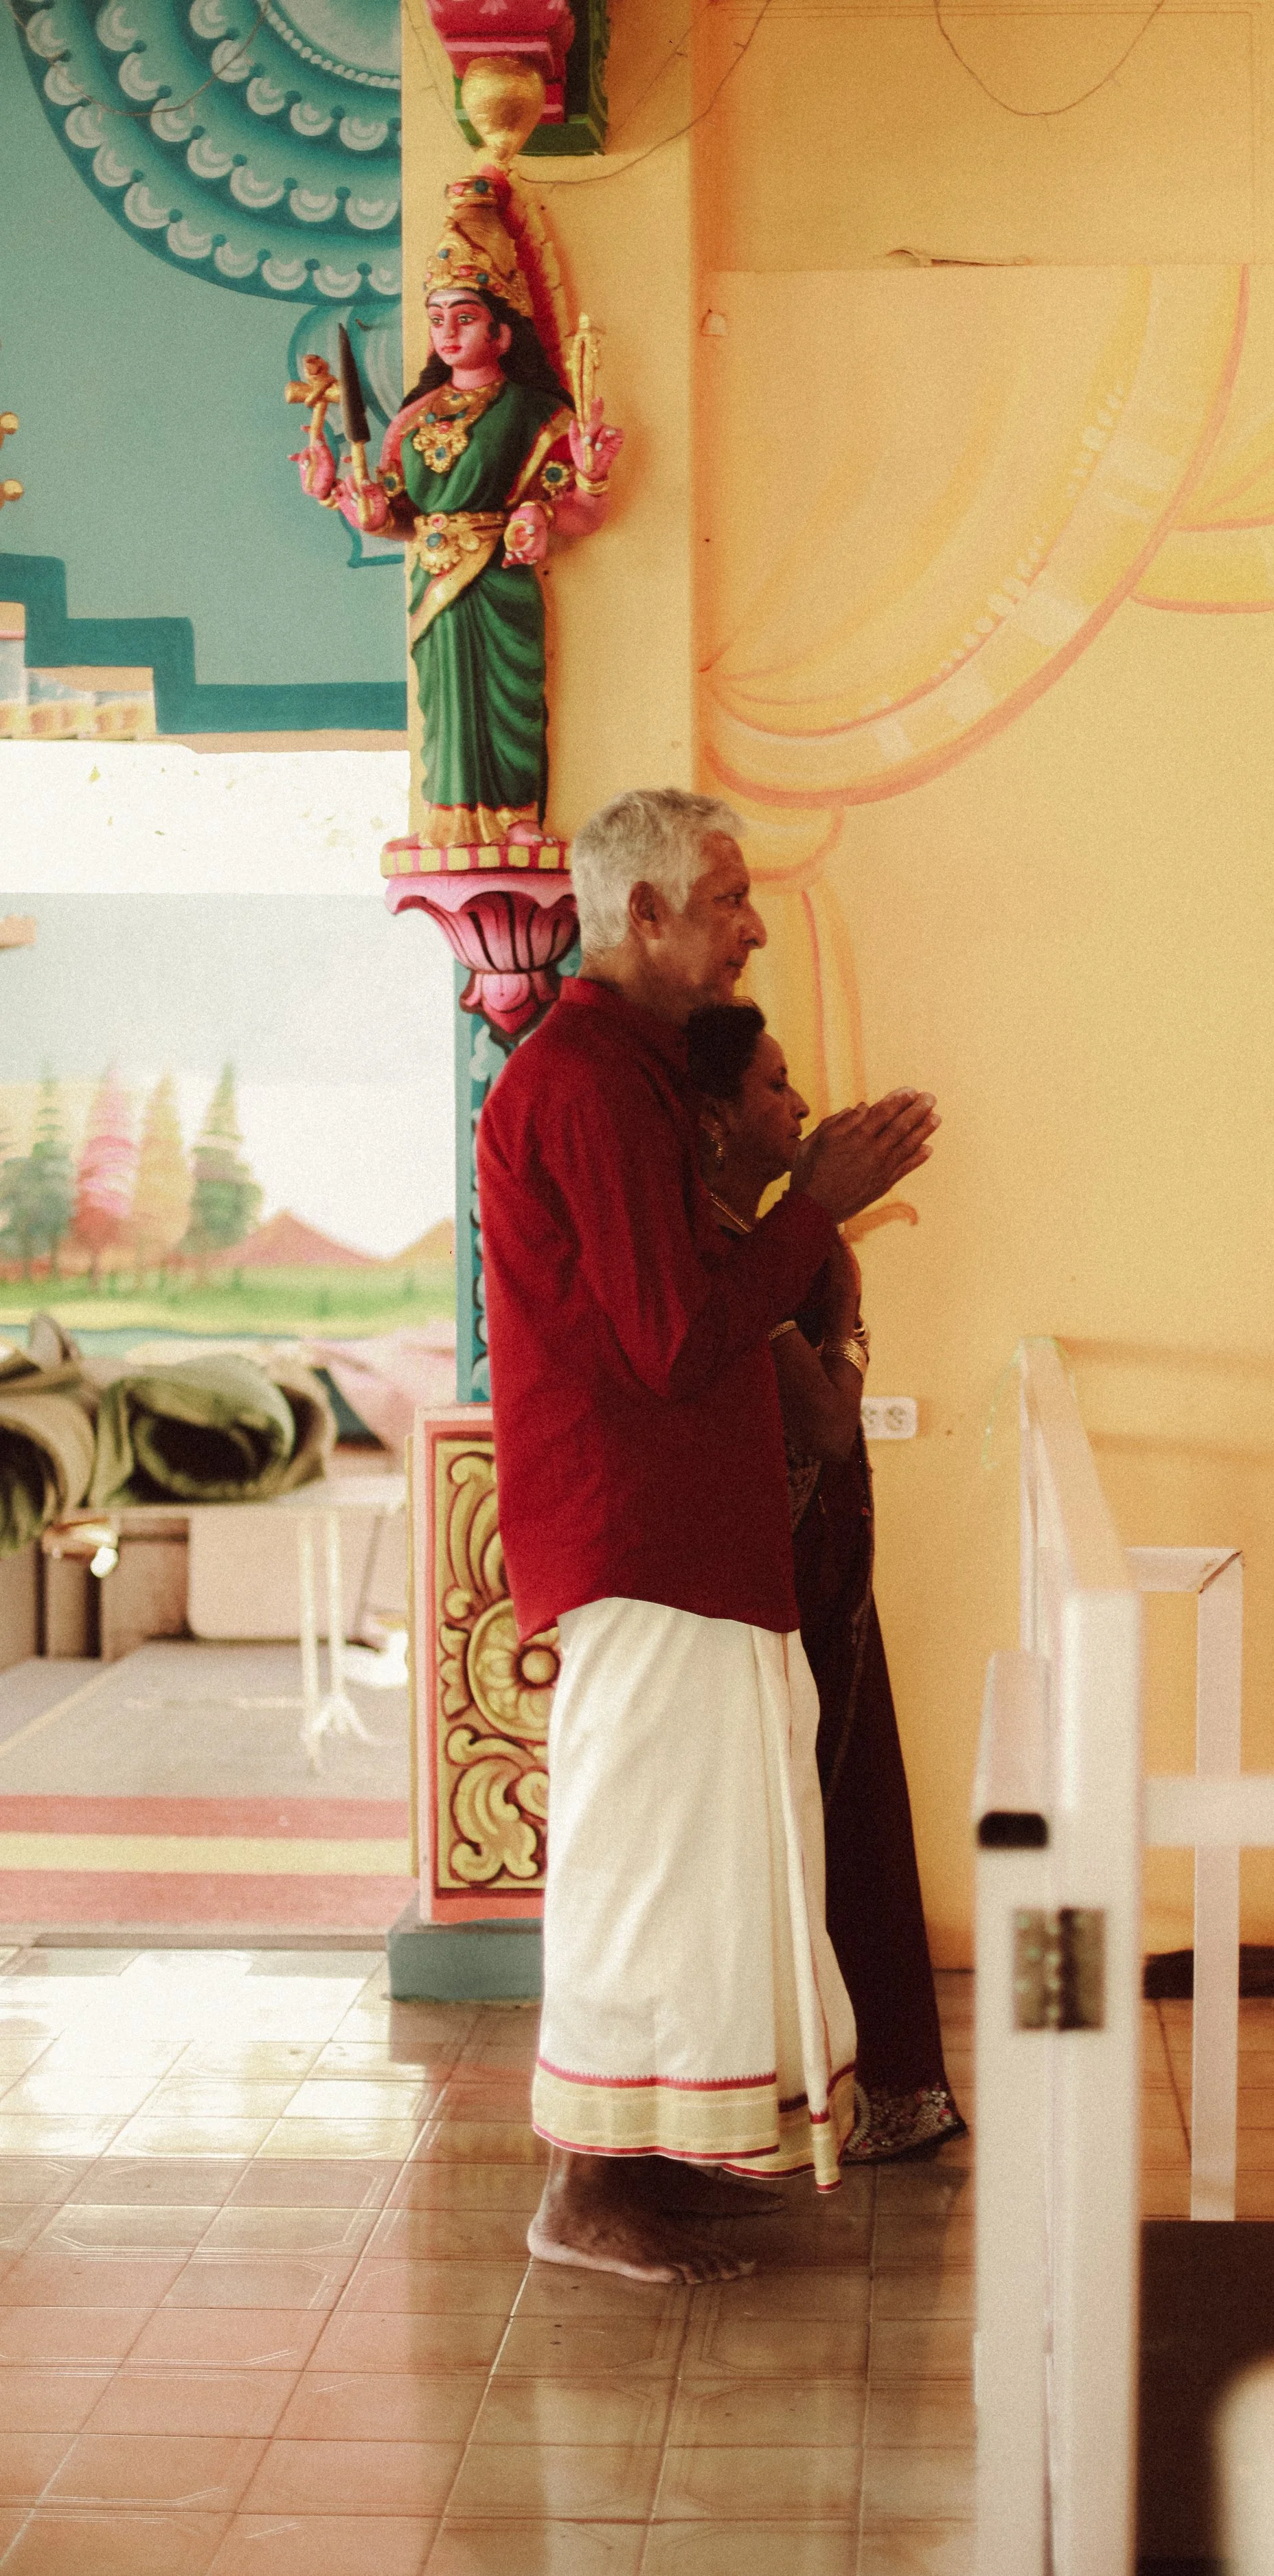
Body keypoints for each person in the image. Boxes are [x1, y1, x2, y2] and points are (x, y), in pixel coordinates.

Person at [476, 787, 940, 2285]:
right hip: (640, 1536)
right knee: (641, 1864)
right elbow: (677, 1343)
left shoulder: (636, 1076)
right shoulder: (584, 1086)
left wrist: (798, 1202)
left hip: (682, 1535)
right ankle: (584, 2193)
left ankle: (653, 2163)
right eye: (726, 898)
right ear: (645, 916)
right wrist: (815, 1201)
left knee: (700, 1867)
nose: (751, 923)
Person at [686, 1003, 966, 2160]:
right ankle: (808, 2098)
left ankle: (865, 2092)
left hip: (813, 1574)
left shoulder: (745, 1234)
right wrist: (838, 1292)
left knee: (841, 1814)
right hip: (775, 1586)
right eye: (773, 1087)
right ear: (710, 1120)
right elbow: (828, 1423)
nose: (796, 1108)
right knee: (816, 1824)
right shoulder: (718, 1242)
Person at [296, 170, 622, 850]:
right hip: (433, 575)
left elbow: (578, 511)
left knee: (507, 697)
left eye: (465, 317)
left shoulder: (536, 412)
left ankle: (514, 817)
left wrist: (569, 494)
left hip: (500, 575)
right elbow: (393, 515)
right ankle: (448, 820)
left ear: (501, 333)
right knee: (442, 707)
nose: (447, 333)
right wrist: (344, 496)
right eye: (438, 319)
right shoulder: (411, 421)